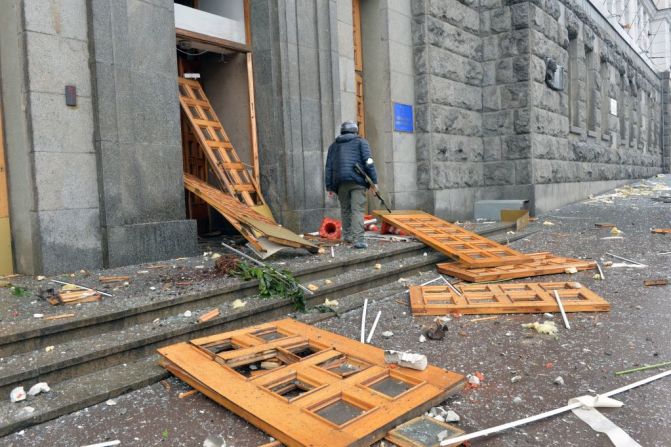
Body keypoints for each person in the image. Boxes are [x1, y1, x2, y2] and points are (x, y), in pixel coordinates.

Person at [325, 120, 378, 249]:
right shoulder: (361, 142)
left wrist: (329, 186)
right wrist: (374, 182)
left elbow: (329, 167)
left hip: (340, 182)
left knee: (345, 210)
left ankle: (347, 237)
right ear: (355, 130)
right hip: (358, 181)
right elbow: (369, 162)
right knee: (357, 210)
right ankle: (358, 239)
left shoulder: (333, 146)